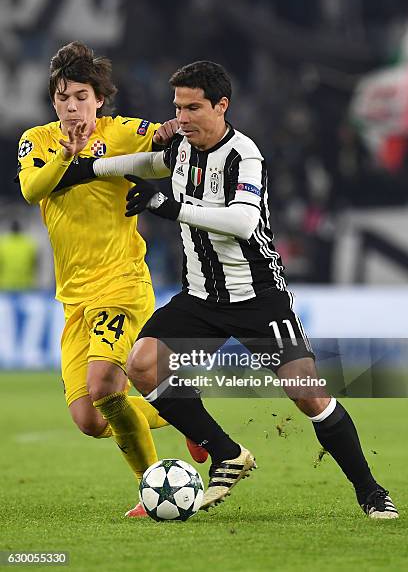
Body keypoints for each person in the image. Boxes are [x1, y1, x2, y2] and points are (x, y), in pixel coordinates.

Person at [89, 60, 399, 518]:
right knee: (143, 363)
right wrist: (89, 168)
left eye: (193, 107)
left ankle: (371, 492)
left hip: (258, 299)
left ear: (221, 105)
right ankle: (227, 453)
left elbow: (243, 220)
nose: (183, 117)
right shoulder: (181, 147)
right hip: (200, 298)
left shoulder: (243, 154)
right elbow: (145, 162)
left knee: (307, 393)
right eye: (178, 107)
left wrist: (171, 208)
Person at [16, 40, 198, 519]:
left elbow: (160, 142)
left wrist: (169, 133)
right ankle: (186, 414)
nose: (72, 106)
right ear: (53, 101)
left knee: (104, 387)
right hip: (73, 299)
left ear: (99, 98)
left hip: (120, 284)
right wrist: (68, 155)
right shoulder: (36, 141)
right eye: (63, 97)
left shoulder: (119, 132)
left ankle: (150, 487)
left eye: (81, 96)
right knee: (90, 419)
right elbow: (33, 189)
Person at [0, 220, 37, 290]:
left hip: (6, 285)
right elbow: (34, 264)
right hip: (25, 285)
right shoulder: (29, 245)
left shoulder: (3, 244)